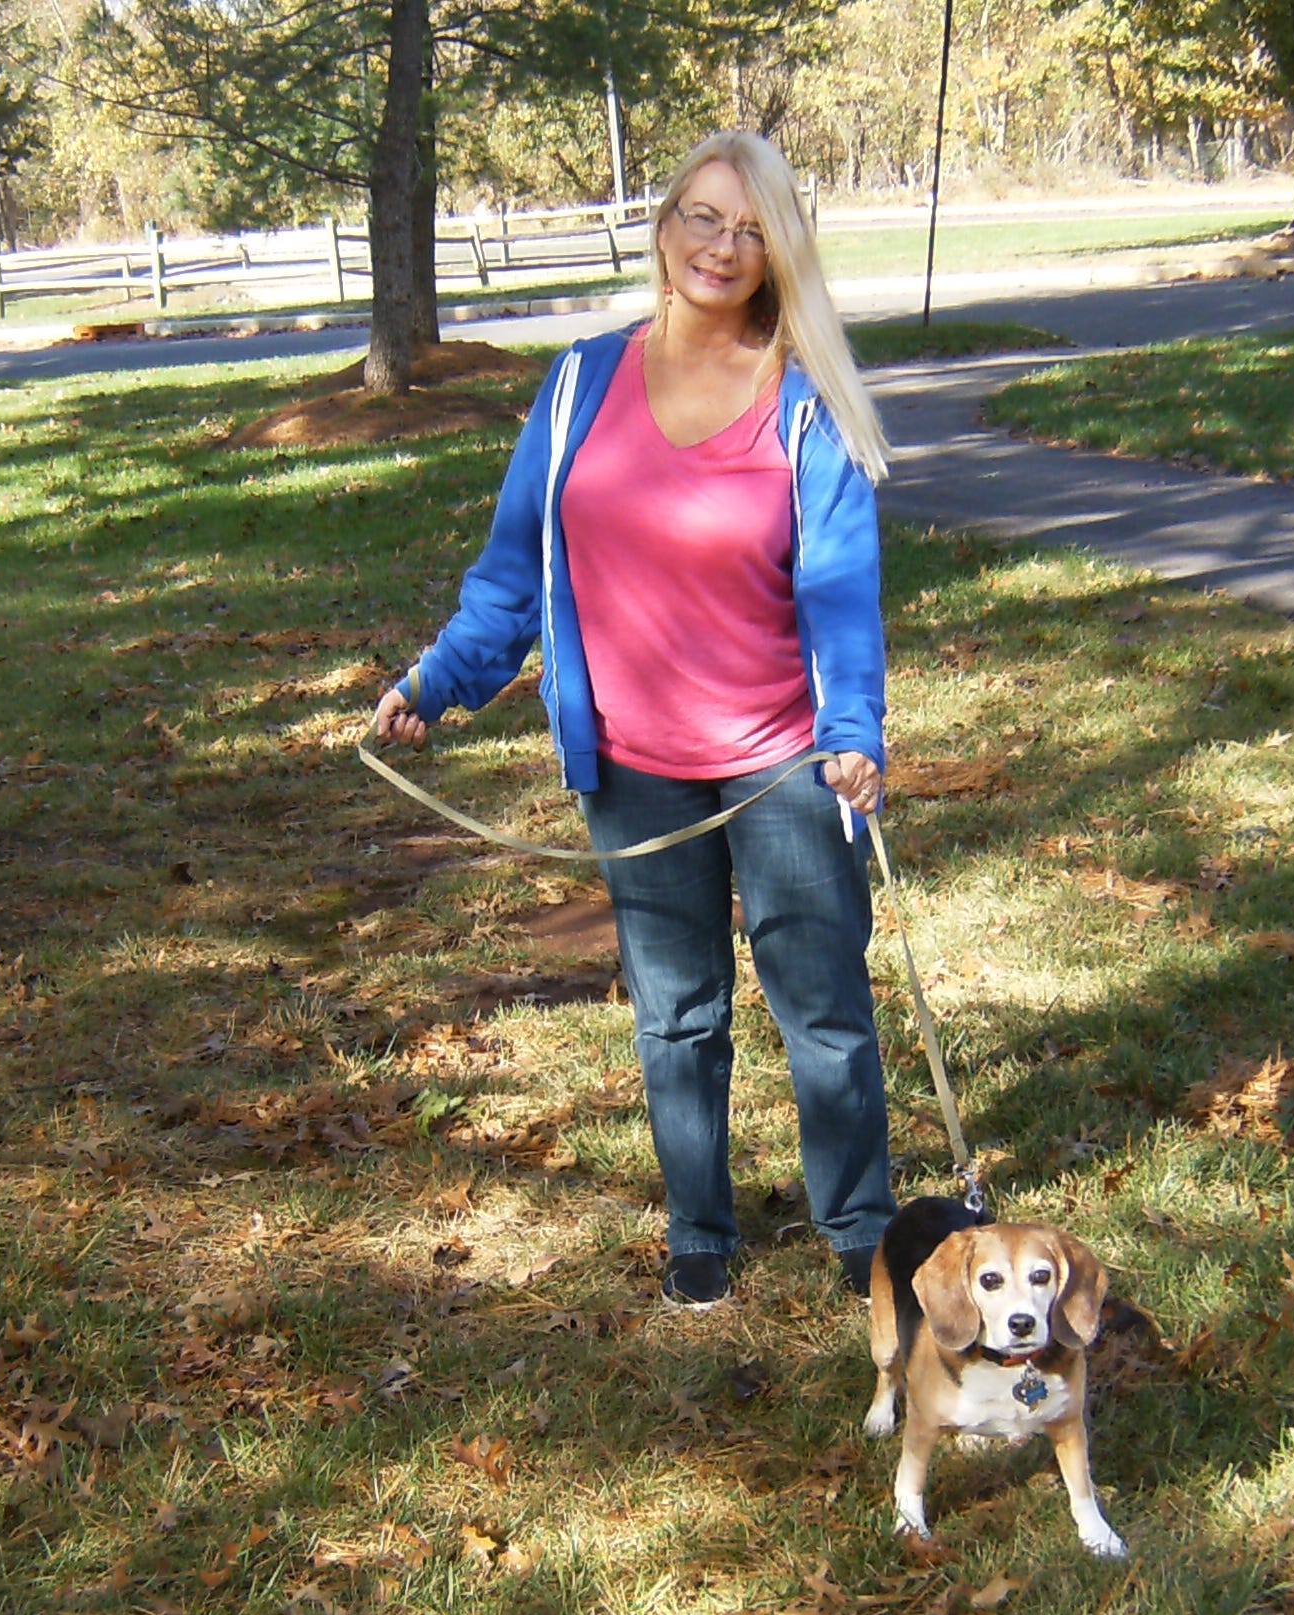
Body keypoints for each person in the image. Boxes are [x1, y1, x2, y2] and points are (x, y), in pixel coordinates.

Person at [370, 130, 899, 1310]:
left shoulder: (804, 402)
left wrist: (853, 731)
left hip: (784, 763)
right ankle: (700, 1225)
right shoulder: (578, 386)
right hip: (631, 763)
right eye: (704, 217)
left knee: (822, 1005)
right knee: (675, 1013)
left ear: (780, 255)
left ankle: (860, 1227)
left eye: (752, 229)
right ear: (664, 227)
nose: (723, 245)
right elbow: (514, 571)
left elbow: (840, 590)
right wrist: (437, 681)